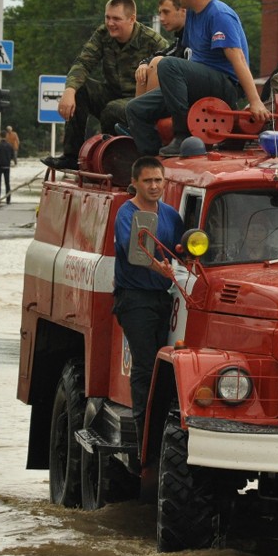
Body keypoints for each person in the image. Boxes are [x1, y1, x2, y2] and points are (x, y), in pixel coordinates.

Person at [126, 0, 271, 158]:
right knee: (135, 109)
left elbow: (239, 58)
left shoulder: (219, 15)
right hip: (198, 82)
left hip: (224, 85)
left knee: (168, 65)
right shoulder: (193, 14)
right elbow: (180, 50)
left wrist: (255, 101)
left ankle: (182, 135)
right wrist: (149, 62)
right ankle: (153, 161)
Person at [43, 0, 168, 171]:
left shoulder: (152, 41)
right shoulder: (103, 35)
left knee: (112, 109)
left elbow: (169, 74)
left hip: (140, 102)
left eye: (116, 18)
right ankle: (71, 157)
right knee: (81, 88)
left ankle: (109, 161)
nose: (110, 23)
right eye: (107, 17)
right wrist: (69, 90)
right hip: (112, 93)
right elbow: (83, 63)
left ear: (132, 19)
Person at [112, 156, 184, 440]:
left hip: (163, 298)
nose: (154, 186)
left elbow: (181, 249)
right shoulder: (126, 214)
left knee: (162, 366)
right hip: (135, 299)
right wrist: (161, 268)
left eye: (158, 180)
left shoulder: (170, 214)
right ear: (134, 183)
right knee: (145, 365)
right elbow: (137, 250)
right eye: (148, 181)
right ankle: (145, 437)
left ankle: (164, 428)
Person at [135, 0, 188, 97]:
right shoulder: (181, 38)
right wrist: (144, 63)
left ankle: (149, 112)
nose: (161, 18)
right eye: (160, 13)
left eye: (166, 12)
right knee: (144, 70)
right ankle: (139, 111)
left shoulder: (194, 34)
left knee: (157, 63)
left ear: (183, 10)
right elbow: (168, 52)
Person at [0, 129, 14, 203]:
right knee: (7, 183)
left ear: (0, 136)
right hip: (7, 166)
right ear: (6, 136)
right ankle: (8, 200)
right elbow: (12, 156)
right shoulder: (10, 146)